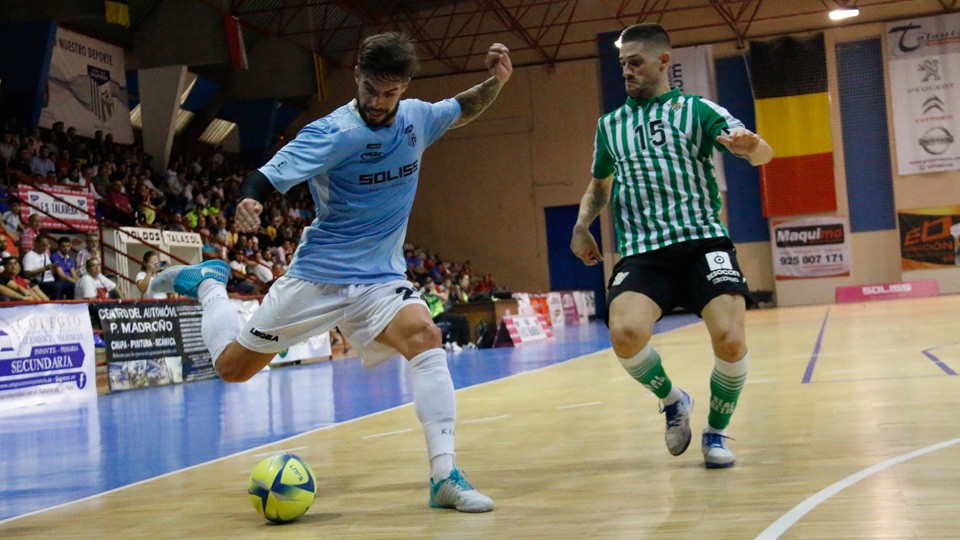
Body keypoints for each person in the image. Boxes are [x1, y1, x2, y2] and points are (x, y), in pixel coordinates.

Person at [150, 32, 511, 512]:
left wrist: (497, 81)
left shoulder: (417, 119)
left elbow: (462, 108)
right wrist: (249, 199)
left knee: (425, 336)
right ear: (357, 77)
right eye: (371, 90)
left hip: (380, 280)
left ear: (403, 86)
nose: (379, 102)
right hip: (317, 277)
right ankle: (210, 285)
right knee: (231, 370)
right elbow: (264, 174)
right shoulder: (331, 133)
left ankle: (444, 476)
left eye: (390, 92)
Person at [570, 24, 773, 469]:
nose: (626, 71)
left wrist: (752, 147)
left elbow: (761, 154)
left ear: (664, 62)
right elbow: (599, 184)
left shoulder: (696, 109)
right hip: (644, 251)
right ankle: (673, 400)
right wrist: (583, 224)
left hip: (702, 241)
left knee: (731, 339)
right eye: (622, 64)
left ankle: (716, 434)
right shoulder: (610, 126)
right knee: (624, 335)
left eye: (635, 62)